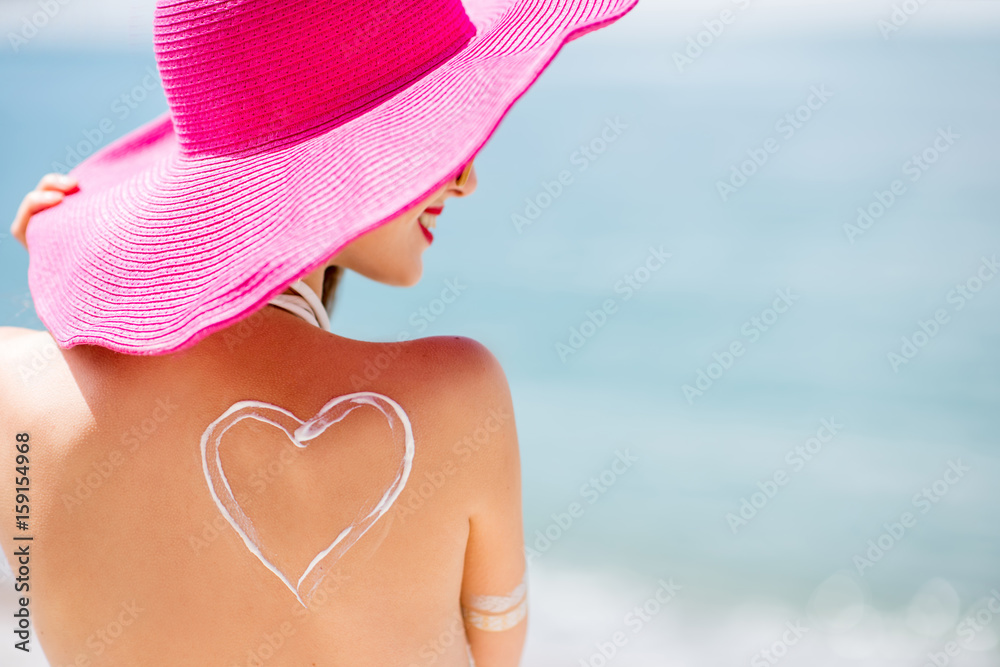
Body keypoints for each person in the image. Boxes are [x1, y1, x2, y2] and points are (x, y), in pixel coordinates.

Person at [1, 0, 637, 665]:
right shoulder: (459, 395)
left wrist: (77, 282)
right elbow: (493, 656)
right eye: (428, 127)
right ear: (340, 164)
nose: (467, 177)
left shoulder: (17, 401)